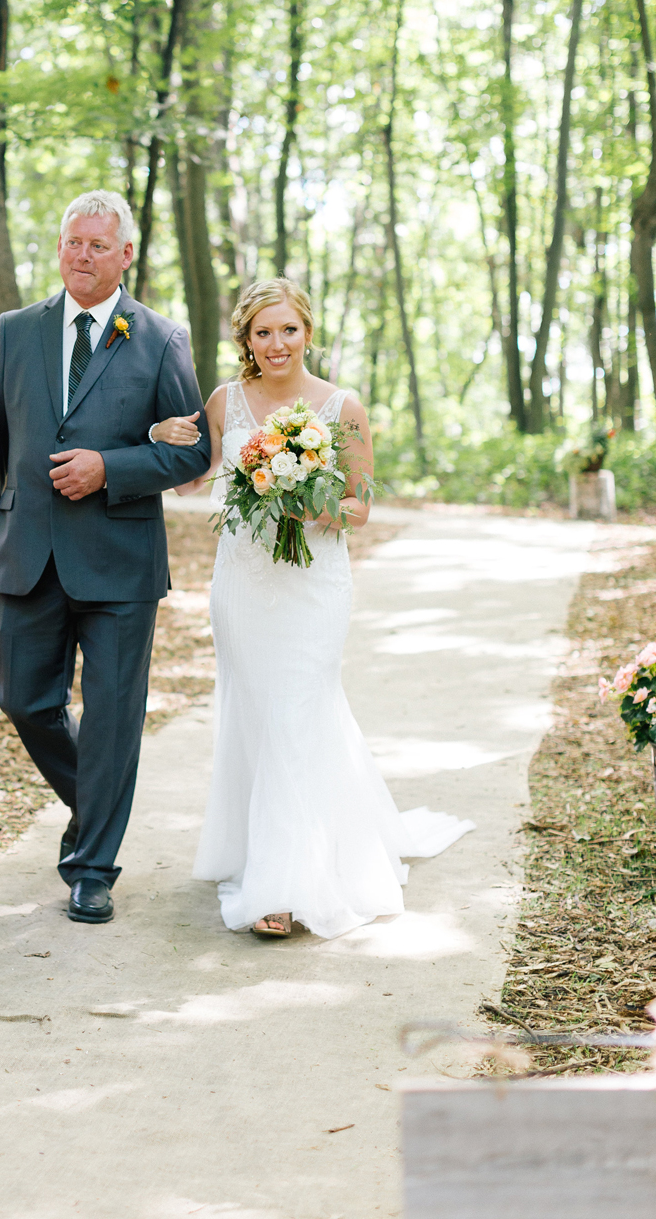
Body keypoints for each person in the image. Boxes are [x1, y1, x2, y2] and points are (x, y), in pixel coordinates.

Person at [155, 277, 473, 939]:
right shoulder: (224, 401)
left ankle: (283, 886)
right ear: (246, 337)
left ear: (308, 331)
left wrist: (308, 498)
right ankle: (272, 858)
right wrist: (161, 437)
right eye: (263, 332)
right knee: (260, 714)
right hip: (242, 581)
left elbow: (360, 504)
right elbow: (191, 478)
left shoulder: (342, 406)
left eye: (289, 330)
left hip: (314, 587)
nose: (277, 344)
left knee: (297, 710)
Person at [0, 189, 211, 925]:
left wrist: (112, 468)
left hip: (119, 559)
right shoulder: (17, 329)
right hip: (27, 554)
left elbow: (194, 448)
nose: (82, 255)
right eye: (74, 242)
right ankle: (98, 802)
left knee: (111, 718)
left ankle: (93, 865)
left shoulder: (159, 339)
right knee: (22, 698)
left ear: (126, 254)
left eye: (99, 245)